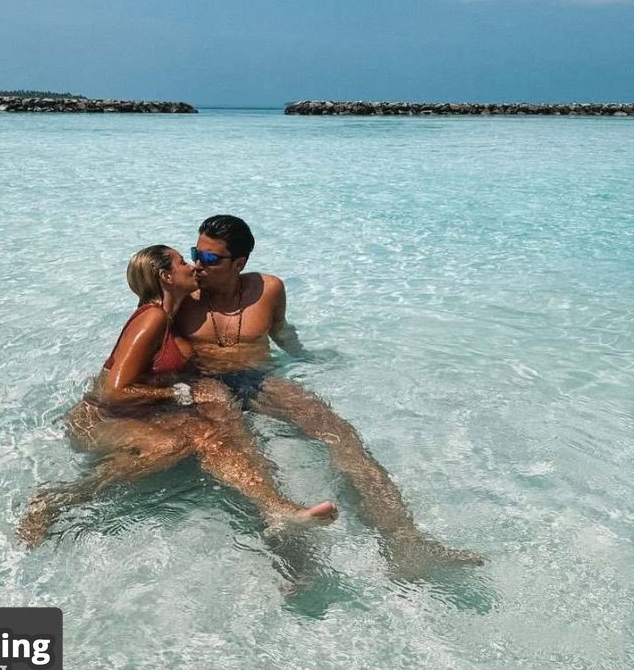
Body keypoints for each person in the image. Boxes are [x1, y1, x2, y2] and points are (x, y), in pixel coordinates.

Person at [175, 215, 483, 578]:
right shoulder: (182, 297)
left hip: (259, 379)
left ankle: (406, 544)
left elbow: (281, 332)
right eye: (195, 253)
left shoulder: (268, 289)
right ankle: (295, 560)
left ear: (238, 263)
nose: (197, 265)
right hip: (207, 383)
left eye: (209, 258)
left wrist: (304, 358)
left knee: (340, 435)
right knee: (244, 456)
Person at [18, 245, 336, 546]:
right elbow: (114, 391)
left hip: (135, 412)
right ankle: (57, 499)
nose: (193, 266)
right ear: (166, 277)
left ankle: (275, 507)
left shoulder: (173, 314)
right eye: (183, 261)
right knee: (170, 445)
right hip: (99, 416)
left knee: (209, 434)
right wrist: (176, 394)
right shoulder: (152, 317)